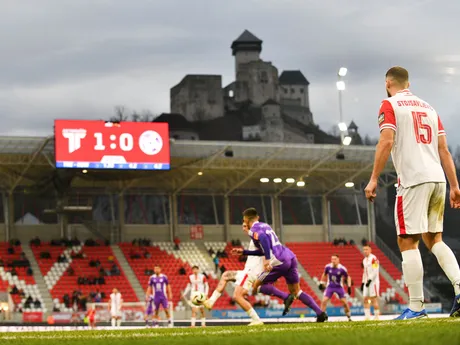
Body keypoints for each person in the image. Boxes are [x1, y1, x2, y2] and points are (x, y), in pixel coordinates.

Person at [364, 66, 460, 320]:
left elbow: (386, 141)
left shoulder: (389, 104)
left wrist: (373, 179)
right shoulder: (430, 108)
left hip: (413, 181)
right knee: (434, 240)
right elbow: (444, 150)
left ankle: (416, 307)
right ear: (409, 83)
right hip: (438, 179)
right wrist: (455, 185)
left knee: (407, 240)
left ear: (388, 82)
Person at [233, 208, 327, 322]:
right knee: (296, 291)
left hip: (278, 261)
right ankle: (320, 313)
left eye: (244, 221)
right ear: (257, 217)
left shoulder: (253, 230)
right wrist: (244, 252)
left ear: (246, 220)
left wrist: (267, 260)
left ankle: (285, 297)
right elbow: (263, 249)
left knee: (256, 283)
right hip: (290, 256)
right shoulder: (265, 225)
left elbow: (263, 239)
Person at [204, 223, 293, 326]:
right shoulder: (255, 239)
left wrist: (266, 267)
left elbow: (265, 250)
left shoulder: (257, 238)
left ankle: (256, 320)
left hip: (251, 272)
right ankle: (211, 301)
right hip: (248, 271)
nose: (243, 228)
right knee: (225, 275)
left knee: (237, 296)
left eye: (245, 226)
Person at [318, 254, 353, 321]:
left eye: (335, 259)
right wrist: (321, 282)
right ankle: (322, 317)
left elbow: (348, 277)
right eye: (332, 259)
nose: (333, 261)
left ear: (338, 260)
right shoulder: (328, 267)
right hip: (330, 286)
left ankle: (349, 317)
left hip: (339, 287)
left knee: (345, 303)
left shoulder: (342, 268)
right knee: (324, 301)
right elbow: (324, 274)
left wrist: (349, 286)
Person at [360, 245, 380, 320]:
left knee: (373, 299)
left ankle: (376, 316)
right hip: (366, 282)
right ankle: (367, 317)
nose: (365, 251)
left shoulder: (374, 259)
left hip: (373, 282)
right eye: (364, 249)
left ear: (370, 250)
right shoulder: (364, 260)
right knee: (365, 299)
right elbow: (364, 272)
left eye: (367, 249)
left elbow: (375, 270)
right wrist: (363, 282)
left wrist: (370, 280)